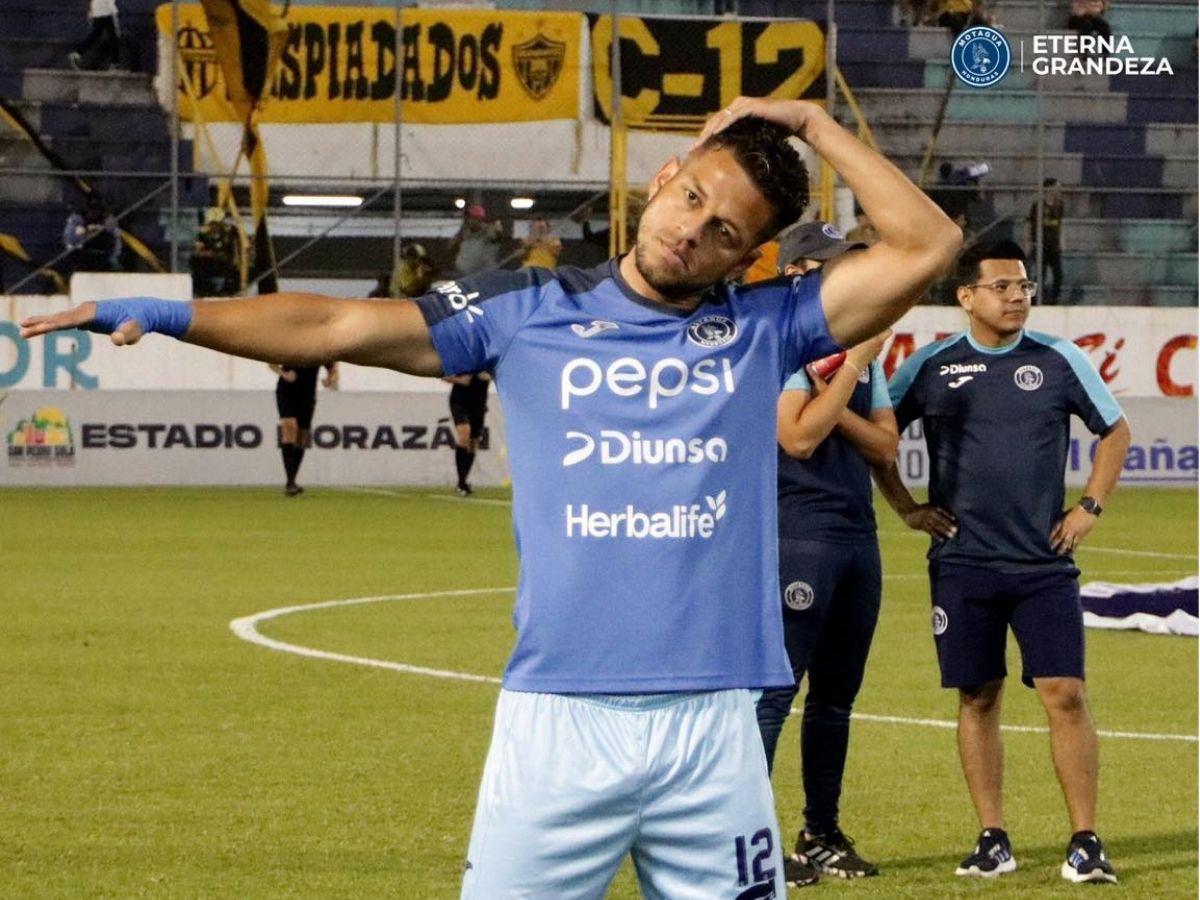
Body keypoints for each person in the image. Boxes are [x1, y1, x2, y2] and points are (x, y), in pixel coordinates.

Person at [21, 96, 962, 898]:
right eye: (692, 198)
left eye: (726, 231)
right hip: (556, 721)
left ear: (748, 255)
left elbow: (931, 242)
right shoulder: (529, 310)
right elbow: (335, 322)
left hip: (716, 728)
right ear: (665, 177)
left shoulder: (768, 327)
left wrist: (810, 121)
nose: (692, 230)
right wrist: (171, 312)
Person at [872, 240, 1130, 885]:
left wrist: (1089, 507)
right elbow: (879, 438)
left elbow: (1115, 430)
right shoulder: (932, 366)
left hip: (1044, 563)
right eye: (1003, 287)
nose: (1018, 297)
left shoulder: (1058, 358)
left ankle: (1085, 840)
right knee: (978, 695)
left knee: (1065, 693)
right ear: (966, 297)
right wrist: (906, 507)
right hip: (962, 564)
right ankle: (993, 838)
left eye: (1024, 286)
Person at [755, 222, 899, 888]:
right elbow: (798, 438)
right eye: (833, 267)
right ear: (797, 274)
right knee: (775, 695)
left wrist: (840, 381)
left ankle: (820, 834)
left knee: (836, 698)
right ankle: (750, 837)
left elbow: (886, 447)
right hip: (798, 536)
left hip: (856, 539)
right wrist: (851, 372)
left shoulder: (850, 352)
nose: (850, 279)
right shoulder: (783, 345)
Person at [269, 361, 337, 496]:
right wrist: (284, 374)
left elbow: (332, 367)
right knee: (289, 428)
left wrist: (329, 379)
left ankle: (292, 480)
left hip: (307, 394)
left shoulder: (318, 352)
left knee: (303, 436)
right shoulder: (289, 350)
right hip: (287, 390)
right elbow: (271, 363)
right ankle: (290, 482)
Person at [444, 372, 491, 496]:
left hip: (478, 402)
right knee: (464, 434)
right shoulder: (462, 361)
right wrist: (460, 380)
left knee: (474, 442)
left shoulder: (486, 361)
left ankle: (463, 481)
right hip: (459, 401)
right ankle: (461, 482)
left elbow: (493, 374)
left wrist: (488, 376)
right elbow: (444, 375)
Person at [1028, 178, 1065, 304]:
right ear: (1049, 189)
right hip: (1040, 245)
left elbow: (1060, 224)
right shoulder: (1037, 206)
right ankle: (1030, 298)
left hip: (1053, 245)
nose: (1059, 190)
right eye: (1057, 187)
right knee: (1038, 275)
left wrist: (1061, 240)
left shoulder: (1059, 206)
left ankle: (1055, 299)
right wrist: (1029, 242)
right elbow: (1029, 224)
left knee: (1058, 274)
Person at [63, 195, 121, 274]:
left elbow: (116, 238)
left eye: (97, 209)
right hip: (82, 255)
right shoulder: (77, 218)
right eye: (91, 209)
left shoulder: (107, 217)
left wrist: (114, 257)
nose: (94, 212)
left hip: (103, 256)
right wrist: (85, 231)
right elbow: (69, 239)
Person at [190, 208, 241, 297]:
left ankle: (229, 291)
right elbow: (198, 251)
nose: (215, 226)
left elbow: (236, 246)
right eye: (212, 223)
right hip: (210, 260)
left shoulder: (230, 231)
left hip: (226, 260)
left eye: (217, 223)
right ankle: (202, 290)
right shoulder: (203, 233)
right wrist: (207, 253)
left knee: (234, 271)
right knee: (195, 262)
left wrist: (237, 258)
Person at [449, 205, 504, 278]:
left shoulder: (489, 231)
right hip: (463, 275)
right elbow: (451, 247)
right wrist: (460, 234)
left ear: (480, 219)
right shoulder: (465, 232)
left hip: (483, 275)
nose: (469, 220)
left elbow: (496, 236)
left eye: (472, 218)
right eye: (468, 218)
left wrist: (491, 227)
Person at [68, 0, 122, 71]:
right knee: (113, 36)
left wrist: (90, 12)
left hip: (98, 9)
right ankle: (115, 63)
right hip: (107, 10)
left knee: (97, 35)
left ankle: (77, 53)